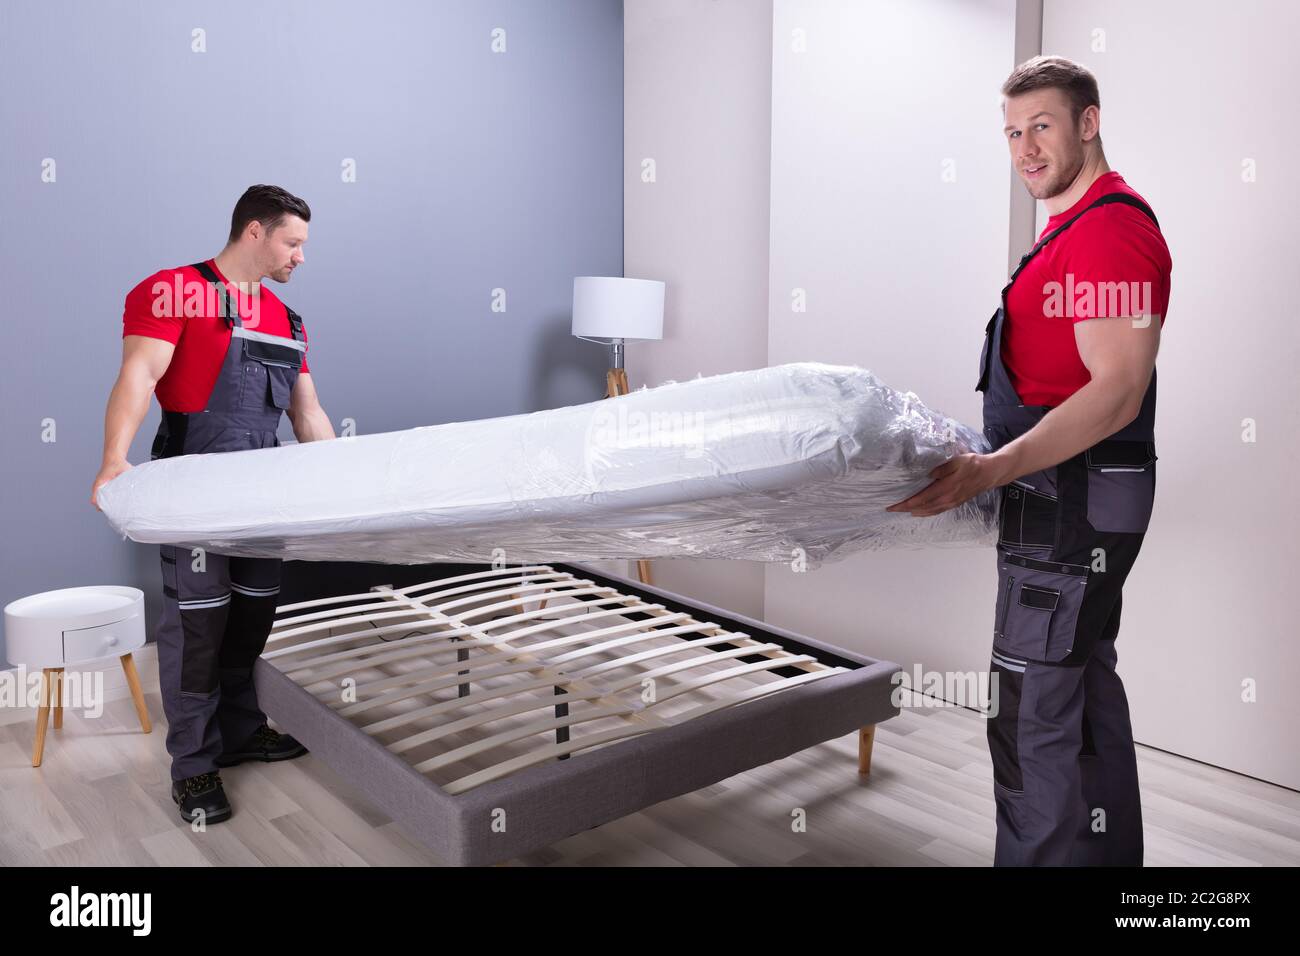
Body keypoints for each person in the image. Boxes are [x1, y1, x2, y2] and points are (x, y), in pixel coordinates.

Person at [887, 56, 1170, 865]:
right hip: (1065, 505)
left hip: (1068, 508)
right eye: (1012, 133)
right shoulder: (1072, 230)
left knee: (1032, 716)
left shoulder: (1113, 231)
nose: (1024, 149)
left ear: (1089, 121)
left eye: (1041, 125)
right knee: (1078, 698)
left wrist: (993, 469)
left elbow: (1116, 392)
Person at [91, 184, 337, 824]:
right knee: (198, 625)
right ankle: (195, 767)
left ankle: (241, 731)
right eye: (293, 242)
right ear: (254, 233)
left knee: (253, 616)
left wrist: (343, 482)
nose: (300, 257)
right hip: (194, 487)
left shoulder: (288, 320)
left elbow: (307, 414)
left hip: (264, 490)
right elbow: (140, 377)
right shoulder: (172, 291)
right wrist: (115, 459)